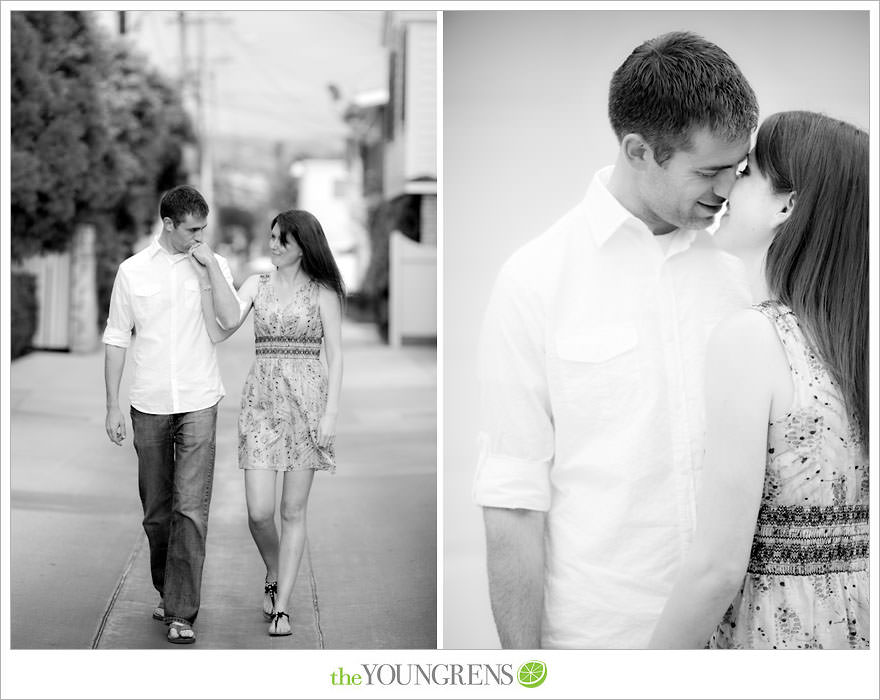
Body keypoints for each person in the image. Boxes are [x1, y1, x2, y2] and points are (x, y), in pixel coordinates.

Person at [473, 31, 758, 649]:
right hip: (604, 639)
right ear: (638, 150)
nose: (728, 190)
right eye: (707, 171)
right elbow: (513, 499)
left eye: (737, 169)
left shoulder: (747, 268)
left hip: (751, 635)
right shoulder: (535, 280)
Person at [648, 111, 868, 649]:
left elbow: (718, 566)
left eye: (746, 173)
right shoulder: (855, 342)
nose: (726, 187)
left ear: (787, 205)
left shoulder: (753, 339)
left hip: (776, 636)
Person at [103, 184, 241, 645]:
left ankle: (182, 611)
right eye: (193, 229)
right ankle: (168, 587)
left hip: (200, 398)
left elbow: (228, 320)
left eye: (204, 228)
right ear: (168, 224)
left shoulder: (213, 264)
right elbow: (117, 338)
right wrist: (111, 407)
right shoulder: (132, 271)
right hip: (150, 403)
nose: (200, 236)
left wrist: (208, 271)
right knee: (158, 513)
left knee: (190, 510)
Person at [200, 209, 344, 637]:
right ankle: (273, 567)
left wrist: (330, 415)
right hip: (261, 405)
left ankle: (281, 607)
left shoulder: (324, 292)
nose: (273, 245)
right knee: (260, 513)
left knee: (292, 511)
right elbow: (224, 325)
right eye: (272, 237)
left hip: (308, 406)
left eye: (282, 239)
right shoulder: (255, 284)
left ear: (303, 245)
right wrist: (210, 272)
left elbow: (336, 357)